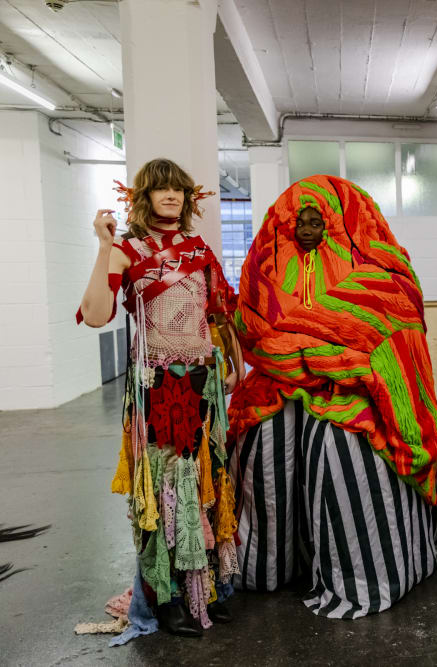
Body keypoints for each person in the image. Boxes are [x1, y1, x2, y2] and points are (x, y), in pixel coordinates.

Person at [227, 174, 437, 619]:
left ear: (337, 223)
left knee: (340, 446)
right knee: (263, 437)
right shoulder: (268, 264)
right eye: (299, 223)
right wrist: (306, 341)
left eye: (316, 222)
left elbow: (388, 312)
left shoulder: (371, 263)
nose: (307, 230)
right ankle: (264, 566)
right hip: (282, 379)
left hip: (350, 382)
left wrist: (317, 338)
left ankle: (364, 569)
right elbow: (256, 325)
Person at [78, 158, 243, 640]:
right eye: (160, 188)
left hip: (201, 387)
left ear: (188, 199)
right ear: (143, 196)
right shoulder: (126, 249)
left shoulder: (198, 249)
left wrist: (233, 364)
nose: (170, 195)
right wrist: (105, 245)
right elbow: (94, 315)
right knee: (162, 494)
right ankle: (163, 598)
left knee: (205, 486)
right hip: (155, 390)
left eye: (178, 189)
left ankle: (205, 590)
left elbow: (220, 312)